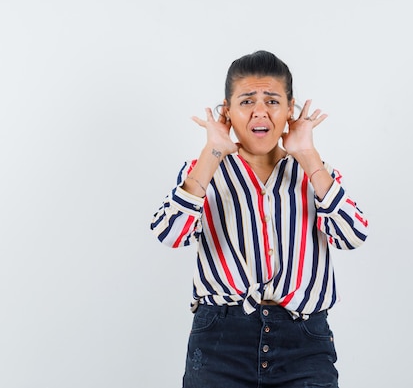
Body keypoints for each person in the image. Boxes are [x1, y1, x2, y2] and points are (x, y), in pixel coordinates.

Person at [150, 50, 369, 388]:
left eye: (272, 100)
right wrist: (211, 154)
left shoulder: (313, 172)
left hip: (304, 343)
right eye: (247, 101)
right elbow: (170, 233)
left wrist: (309, 156)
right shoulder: (205, 172)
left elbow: (353, 234)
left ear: (289, 109)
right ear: (227, 111)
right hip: (220, 342)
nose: (260, 111)